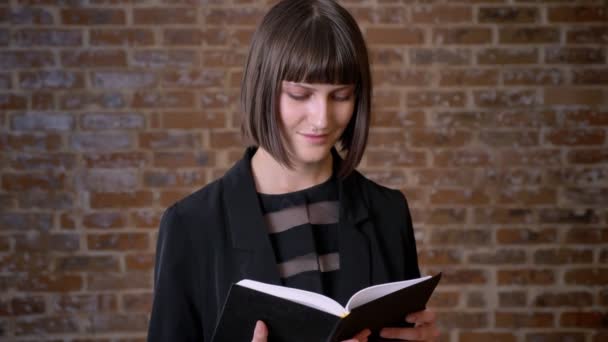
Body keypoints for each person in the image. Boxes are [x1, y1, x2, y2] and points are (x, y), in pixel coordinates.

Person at [147, 0, 439, 341]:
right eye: (300, 94)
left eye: (341, 96)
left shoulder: (388, 212)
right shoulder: (191, 226)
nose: (322, 119)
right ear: (263, 87)